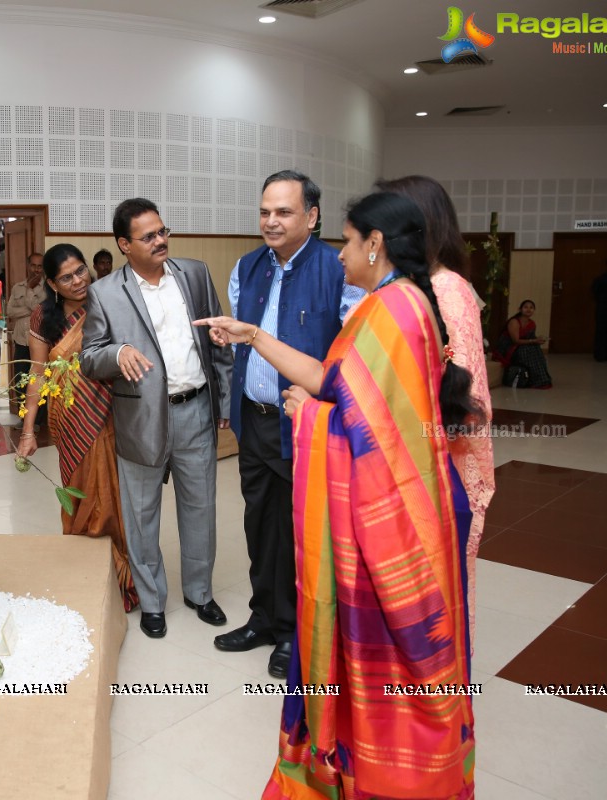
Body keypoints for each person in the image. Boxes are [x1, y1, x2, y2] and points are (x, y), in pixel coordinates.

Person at [196, 191, 477, 800]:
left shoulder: (392, 311)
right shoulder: (397, 301)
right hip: (405, 503)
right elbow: (339, 383)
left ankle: (384, 773)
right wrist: (253, 337)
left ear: (374, 244)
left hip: (393, 518)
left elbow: (373, 430)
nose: (342, 254)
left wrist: (308, 420)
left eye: (348, 241)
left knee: (389, 655)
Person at [218, 170, 364, 680]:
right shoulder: (247, 267)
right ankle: (264, 617)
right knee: (259, 523)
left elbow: (352, 358)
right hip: (253, 422)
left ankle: (297, 632)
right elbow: (244, 341)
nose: (271, 221)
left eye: (283, 211)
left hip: (307, 424)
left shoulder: (337, 268)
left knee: (303, 529)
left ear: (312, 216)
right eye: (265, 211)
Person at [80, 197, 233, 639]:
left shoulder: (195, 274)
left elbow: (217, 342)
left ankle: (200, 593)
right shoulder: (105, 293)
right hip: (140, 420)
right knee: (142, 513)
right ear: (125, 245)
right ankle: (152, 602)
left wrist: (221, 402)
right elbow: (90, 359)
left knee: (200, 507)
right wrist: (117, 352)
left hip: (195, 410)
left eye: (163, 231)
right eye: (149, 237)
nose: (161, 241)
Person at [378, 174, 494, 649]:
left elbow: (456, 397)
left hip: (439, 465)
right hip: (410, 460)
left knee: (436, 591)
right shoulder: (412, 285)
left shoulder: (449, 291)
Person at [16, 244, 139, 611]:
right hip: (69, 417)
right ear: (52, 283)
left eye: (81, 271)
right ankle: (84, 572)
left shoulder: (107, 302)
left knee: (114, 493)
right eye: (66, 277)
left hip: (110, 410)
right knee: (81, 491)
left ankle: (119, 572)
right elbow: (37, 376)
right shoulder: (43, 317)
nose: (78, 281)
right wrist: (27, 432)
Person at [6, 252, 47, 425]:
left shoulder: (48, 288)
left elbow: (38, 309)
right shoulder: (17, 287)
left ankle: (39, 419)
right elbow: (9, 312)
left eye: (40, 266)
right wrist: (29, 309)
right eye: (33, 265)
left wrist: (30, 291)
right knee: (21, 380)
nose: (36, 269)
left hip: (39, 343)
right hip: (20, 341)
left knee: (39, 380)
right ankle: (25, 419)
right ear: (28, 266)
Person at [493, 300, 552, 388]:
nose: (528, 309)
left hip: (522, 346)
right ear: (520, 309)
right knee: (527, 350)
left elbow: (530, 338)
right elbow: (515, 340)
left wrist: (538, 340)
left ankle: (541, 380)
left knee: (536, 349)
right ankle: (536, 379)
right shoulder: (514, 322)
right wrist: (533, 341)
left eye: (531, 308)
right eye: (526, 307)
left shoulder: (532, 324)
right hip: (508, 348)